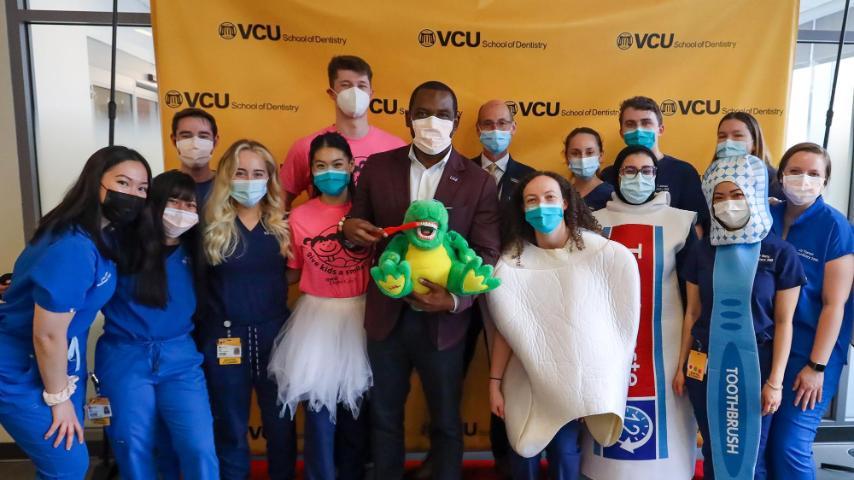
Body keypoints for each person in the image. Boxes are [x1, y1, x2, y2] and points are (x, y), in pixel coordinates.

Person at [341, 80, 500, 480]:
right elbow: (358, 230)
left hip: (445, 323)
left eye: (444, 114)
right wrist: (351, 232)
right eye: (423, 112)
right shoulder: (378, 167)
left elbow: (486, 253)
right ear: (406, 117)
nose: (433, 121)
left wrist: (454, 301)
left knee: (447, 420)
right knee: (385, 417)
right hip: (385, 316)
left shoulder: (479, 180)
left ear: (457, 120)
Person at [0, 146, 150, 479]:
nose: (133, 195)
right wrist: (59, 399)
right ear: (95, 182)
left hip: (58, 367)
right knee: (67, 465)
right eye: (123, 183)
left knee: (66, 462)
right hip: (18, 368)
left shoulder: (102, 236)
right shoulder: (75, 245)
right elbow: (47, 333)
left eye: (142, 188)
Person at [487, 172, 640, 480]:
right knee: (522, 454)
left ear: (566, 202)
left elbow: (617, 331)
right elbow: (508, 328)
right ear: (522, 209)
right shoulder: (510, 266)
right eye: (532, 200)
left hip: (578, 381)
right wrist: (494, 383)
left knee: (564, 455)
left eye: (549, 198)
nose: (541, 206)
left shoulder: (605, 255)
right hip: (526, 378)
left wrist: (596, 390)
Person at [674, 155, 804, 479]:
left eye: (737, 195)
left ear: (754, 195)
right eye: (719, 197)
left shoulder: (779, 253)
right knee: (713, 450)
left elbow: (786, 322)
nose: (727, 204)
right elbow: (692, 311)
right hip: (704, 363)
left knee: (751, 455)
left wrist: (775, 382)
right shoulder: (703, 251)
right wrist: (681, 367)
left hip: (757, 364)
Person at [583, 146, 697, 479]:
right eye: (629, 171)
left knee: (669, 437)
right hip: (608, 347)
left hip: (666, 348)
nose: (638, 178)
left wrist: (686, 359)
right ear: (616, 176)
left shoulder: (681, 221)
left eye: (647, 171)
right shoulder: (593, 223)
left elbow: (694, 299)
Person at [96, 170, 218, 479]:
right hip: (126, 357)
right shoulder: (118, 245)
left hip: (181, 358)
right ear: (153, 204)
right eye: (173, 201)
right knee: (133, 447)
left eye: (189, 205)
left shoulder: (196, 251)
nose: (181, 211)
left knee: (198, 446)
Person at [268, 132, 373, 480]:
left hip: (362, 317)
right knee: (317, 416)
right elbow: (293, 273)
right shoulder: (298, 216)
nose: (330, 172)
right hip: (315, 320)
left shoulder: (367, 211)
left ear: (352, 166)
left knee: (356, 417)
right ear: (311, 172)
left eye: (337, 165)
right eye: (321, 166)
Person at [199, 139, 296, 479]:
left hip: (275, 335)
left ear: (270, 179)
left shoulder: (283, 226)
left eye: (258, 173)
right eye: (240, 172)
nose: (250, 180)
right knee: (230, 428)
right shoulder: (208, 225)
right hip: (224, 337)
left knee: (281, 428)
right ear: (226, 176)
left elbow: (295, 273)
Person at [767, 143, 854, 479]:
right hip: (770, 346)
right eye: (796, 171)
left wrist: (816, 367)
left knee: (790, 445)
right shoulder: (767, 216)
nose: (804, 179)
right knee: (765, 443)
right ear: (781, 176)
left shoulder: (835, 227)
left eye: (814, 174)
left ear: (825, 181)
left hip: (812, 351)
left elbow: (836, 304)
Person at [280, 55, 407, 210]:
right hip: (323, 232)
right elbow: (279, 203)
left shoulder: (396, 147)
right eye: (346, 85)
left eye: (361, 86)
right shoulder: (306, 147)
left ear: (371, 94)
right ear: (332, 93)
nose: (355, 92)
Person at [599, 96, 708, 231]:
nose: (638, 130)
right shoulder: (609, 174)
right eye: (630, 124)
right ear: (621, 132)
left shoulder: (683, 172)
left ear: (660, 129)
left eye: (646, 123)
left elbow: (695, 227)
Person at [713, 111, 783, 201]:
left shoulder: (774, 182)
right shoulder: (712, 178)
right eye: (722, 136)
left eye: (738, 135)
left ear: (754, 143)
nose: (728, 142)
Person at [171, 108, 220, 207]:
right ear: (174, 140)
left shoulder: (227, 187)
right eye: (186, 136)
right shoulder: (159, 186)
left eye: (203, 136)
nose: (195, 144)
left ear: (215, 142)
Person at [564, 127, 614, 211]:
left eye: (589, 153)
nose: (583, 158)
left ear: (600, 156)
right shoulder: (561, 195)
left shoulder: (612, 196)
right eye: (575, 153)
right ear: (566, 157)